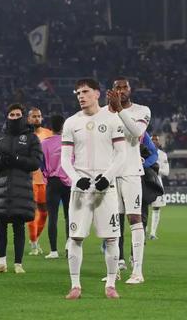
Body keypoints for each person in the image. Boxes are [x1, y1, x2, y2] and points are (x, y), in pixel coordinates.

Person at [61, 79, 127, 300]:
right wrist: (75, 179)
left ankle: (111, 284)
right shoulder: (71, 122)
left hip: (105, 189)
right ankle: (75, 286)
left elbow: (122, 154)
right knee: (75, 238)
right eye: (78, 92)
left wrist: (106, 177)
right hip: (80, 191)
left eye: (85, 91)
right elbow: (65, 159)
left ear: (97, 94)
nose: (81, 96)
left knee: (111, 239)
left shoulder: (112, 119)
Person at [0, 104, 43, 274]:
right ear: (7, 117)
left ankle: (18, 264)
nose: (15, 117)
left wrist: (16, 158)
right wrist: (1, 161)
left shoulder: (31, 138)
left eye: (18, 114)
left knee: (19, 225)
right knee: (0, 225)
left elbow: (36, 162)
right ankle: (1, 263)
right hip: (1, 188)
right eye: (12, 114)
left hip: (22, 188)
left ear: (23, 117)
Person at [106, 77, 151, 284]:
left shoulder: (142, 111)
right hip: (110, 174)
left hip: (131, 172)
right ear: (112, 90)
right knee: (112, 222)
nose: (122, 90)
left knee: (134, 218)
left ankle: (137, 272)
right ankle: (113, 270)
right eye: (118, 88)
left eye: (125, 87)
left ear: (130, 90)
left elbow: (137, 132)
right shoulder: (103, 112)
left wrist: (118, 110)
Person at [41, 114, 71, 259]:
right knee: (69, 216)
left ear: (50, 127)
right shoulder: (69, 142)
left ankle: (53, 251)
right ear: (63, 126)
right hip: (69, 182)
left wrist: (46, 176)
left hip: (53, 182)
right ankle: (69, 247)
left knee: (52, 216)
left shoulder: (44, 143)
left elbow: (41, 165)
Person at [26, 107, 53, 255]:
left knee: (43, 213)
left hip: (45, 180)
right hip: (29, 180)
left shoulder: (48, 133)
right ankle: (34, 245)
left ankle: (35, 239)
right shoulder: (24, 136)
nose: (37, 118)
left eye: (39, 116)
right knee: (31, 212)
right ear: (28, 119)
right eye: (34, 116)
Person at [149, 134, 169, 240]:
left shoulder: (163, 155)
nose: (154, 142)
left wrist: (156, 169)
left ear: (158, 142)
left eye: (156, 140)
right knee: (141, 207)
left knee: (156, 207)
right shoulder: (143, 152)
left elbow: (166, 172)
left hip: (157, 183)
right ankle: (142, 229)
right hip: (145, 182)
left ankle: (152, 233)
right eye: (152, 140)